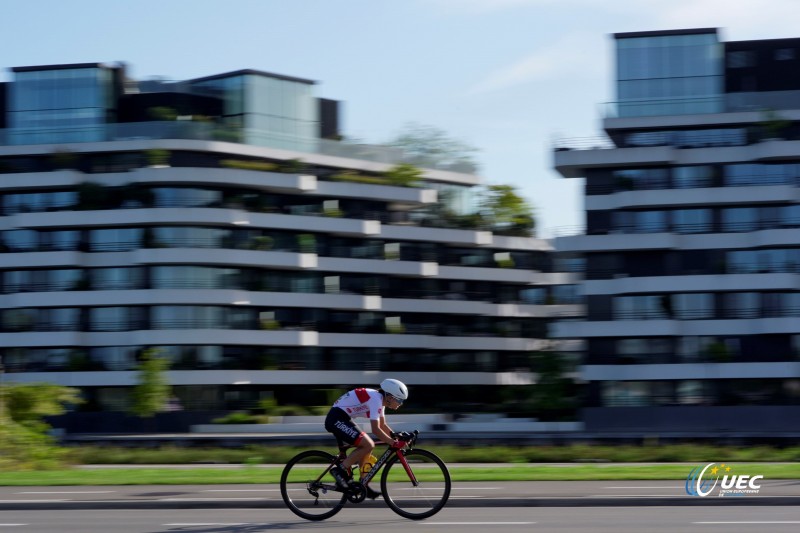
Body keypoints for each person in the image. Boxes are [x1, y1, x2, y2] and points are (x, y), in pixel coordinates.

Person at [324, 378, 408, 498]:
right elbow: (375, 429)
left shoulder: (380, 400)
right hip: (336, 419)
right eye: (399, 400)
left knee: (366, 446)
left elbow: (382, 425)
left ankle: (363, 484)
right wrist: (392, 442)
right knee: (368, 444)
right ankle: (339, 470)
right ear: (389, 397)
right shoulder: (376, 399)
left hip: (344, 418)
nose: (401, 404)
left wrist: (396, 436)